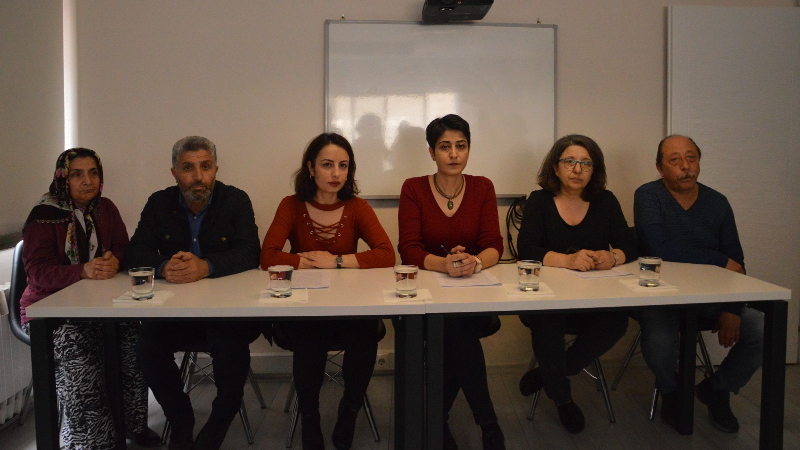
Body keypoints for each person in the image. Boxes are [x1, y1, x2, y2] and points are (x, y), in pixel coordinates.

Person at [126, 136, 262, 450]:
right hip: (175, 311)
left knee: (231, 346)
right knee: (146, 345)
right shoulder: (159, 202)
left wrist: (206, 266)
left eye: (205, 166)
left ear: (216, 169)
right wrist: (163, 267)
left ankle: (217, 425)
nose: (198, 176)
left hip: (226, 312)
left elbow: (250, 251)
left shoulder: (235, 200)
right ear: (174, 172)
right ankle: (180, 418)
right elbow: (135, 252)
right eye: (188, 168)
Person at [261, 133, 395, 450]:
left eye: (343, 166)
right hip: (306, 307)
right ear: (310, 168)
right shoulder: (291, 205)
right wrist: (304, 261)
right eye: (327, 165)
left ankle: (349, 412)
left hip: (348, 306)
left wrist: (334, 261)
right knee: (310, 335)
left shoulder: (357, 207)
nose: (336, 174)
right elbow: (267, 256)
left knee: (365, 333)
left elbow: (387, 254)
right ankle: (310, 419)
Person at [19, 148, 159, 449]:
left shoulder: (105, 208)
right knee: (81, 354)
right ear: (62, 178)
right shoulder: (44, 216)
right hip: (50, 312)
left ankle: (133, 424)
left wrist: (113, 261)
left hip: (100, 307)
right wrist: (82, 270)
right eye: (77, 174)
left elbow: (123, 248)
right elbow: (38, 273)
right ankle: (91, 441)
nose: (87, 181)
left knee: (136, 343)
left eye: (93, 173)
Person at [633, 134, 762, 433]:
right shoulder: (649, 195)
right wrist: (717, 260)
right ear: (660, 168)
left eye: (691, 158)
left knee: (760, 328)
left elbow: (736, 260)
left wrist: (732, 307)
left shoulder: (717, 202)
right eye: (675, 160)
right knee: (660, 342)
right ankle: (672, 392)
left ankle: (717, 389)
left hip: (709, 298)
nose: (685, 166)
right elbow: (659, 248)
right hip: (660, 297)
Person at [398, 114, 506, 450]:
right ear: (432, 152)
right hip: (427, 294)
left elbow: (494, 244)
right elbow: (409, 249)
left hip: (471, 291)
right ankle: (488, 425)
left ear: (469, 149)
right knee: (459, 336)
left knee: (457, 333)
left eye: (461, 146)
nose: (454, 154)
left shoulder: (482, 187)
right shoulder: (413, 187)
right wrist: (445, 265)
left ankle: (436, 418)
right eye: (445, 147)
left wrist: (474, 262)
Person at [516, 134, 635, 434]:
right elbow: (526, 250)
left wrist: (613, 257)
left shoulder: (605, 201)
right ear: (555, 167)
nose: (578, 169)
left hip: (592, 299)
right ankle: (563, 398)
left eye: (586, 163)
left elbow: (630, 245)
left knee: (616, 323)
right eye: (569, 161)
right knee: (548, 321)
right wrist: (567, 260)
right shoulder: (539, 201)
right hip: (546, 299)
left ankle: (547, 375)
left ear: (595, 170)